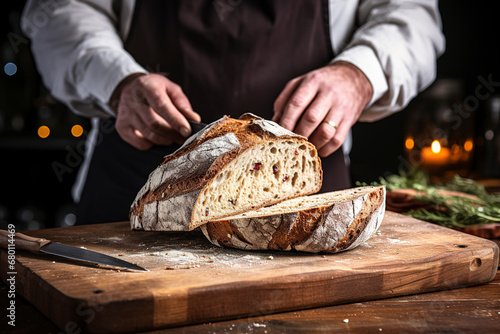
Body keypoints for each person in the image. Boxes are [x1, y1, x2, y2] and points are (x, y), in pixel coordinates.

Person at [22, 0, 445, 224]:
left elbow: (412, 15)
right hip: (130, 192)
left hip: (304, 198)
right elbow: (60, 11)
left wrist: (360, 74)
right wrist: (117, 81)